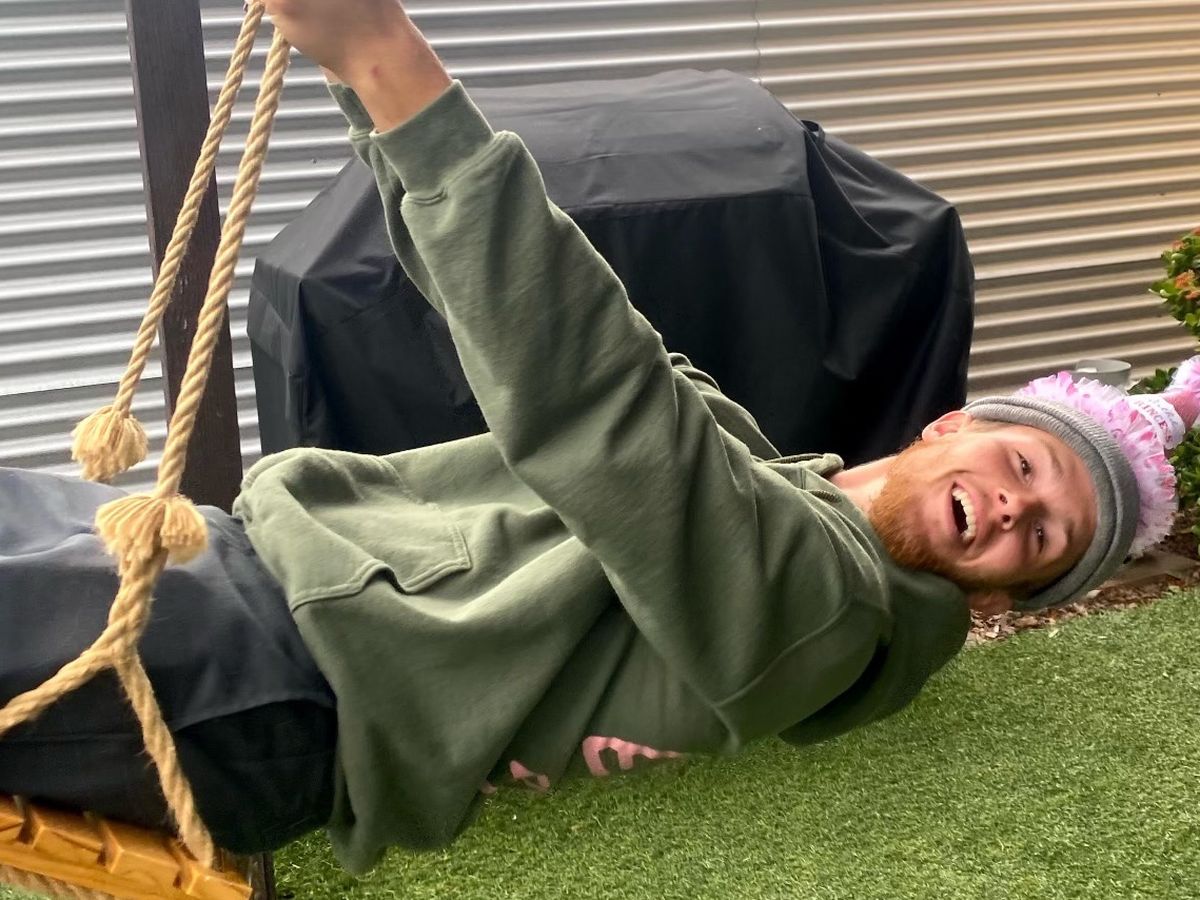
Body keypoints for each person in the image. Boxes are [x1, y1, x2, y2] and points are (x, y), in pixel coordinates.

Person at [2, 0, 1197, 875]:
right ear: (958, 423)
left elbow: (604, 404)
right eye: (1027, 469)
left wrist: (384, 55)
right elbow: (575, 337)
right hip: (238, 571)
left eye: (1042, 541)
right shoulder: (793, 490)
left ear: (1001, 597)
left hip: (269, 676)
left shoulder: (831, 619)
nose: (1013, 510)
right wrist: (357, 83)